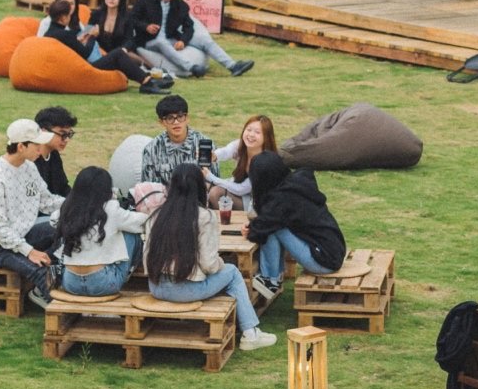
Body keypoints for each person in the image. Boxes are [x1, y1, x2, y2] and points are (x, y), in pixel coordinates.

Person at [142, 163, 274, 349]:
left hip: (155, 287)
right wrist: (222, 262)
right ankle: (250, 333)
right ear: (199, 187)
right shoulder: (205, 217)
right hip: (185, 290)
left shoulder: (156, 215)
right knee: (232, 272)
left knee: (222, 272)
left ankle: (246, 328)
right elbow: (209, 264)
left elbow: (147, 253)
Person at [0, 118, 66, 310]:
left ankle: (53, 271)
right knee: (41, 272)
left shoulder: (29, 167)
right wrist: (29, 252)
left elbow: (47, 201)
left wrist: (79, 204)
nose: (41, 149)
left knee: (68, 228)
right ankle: (63, 313)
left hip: (24, 233)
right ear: (21, 146)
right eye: (37, 145)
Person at [246, 151, 344, 311]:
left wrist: (251, 229)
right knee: (272, 224)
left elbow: (262, 227)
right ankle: (273, 277)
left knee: (272, 228)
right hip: (334, 249)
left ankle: (270, 279)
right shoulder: (295, 184)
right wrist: (256, 226)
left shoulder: (283, 198)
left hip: (323, 260)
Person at [129, 0, 254, 78]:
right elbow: (132, 19)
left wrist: (183, 40)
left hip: (172, 38)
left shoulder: (181, 6)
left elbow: (189, 26)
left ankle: (232, 66)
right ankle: (192, 68)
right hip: (149, 41)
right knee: (161, 42)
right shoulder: (145, 0)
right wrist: (146, 27)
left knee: (204, 40)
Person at [42, 0, 171, 94]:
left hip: (75, 65)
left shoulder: (50, 33)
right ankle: (147, 82)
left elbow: (74, 46)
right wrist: (92, 37)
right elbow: (85, 53)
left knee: (118, 56)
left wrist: (81, 39)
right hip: (83, 69)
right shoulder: (66, 33)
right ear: (63, 17)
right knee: (118, 54)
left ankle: (148, 79)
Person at [53, 165, 147, 297]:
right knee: (131, 235)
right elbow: (141, 222)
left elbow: (53, 220)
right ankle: (130, 272)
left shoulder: (68, 207)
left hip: (70, 282)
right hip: (103, 283)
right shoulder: (110, 208)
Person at [201, 114, 275, 210]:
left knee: (215, 193)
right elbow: (227, 151)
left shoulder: (266, 162)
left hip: (256, 204)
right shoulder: (241, 145)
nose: (251, 134)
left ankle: (223, 223)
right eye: (248, 130)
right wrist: (214, 156)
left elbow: (241, 189)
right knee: (201, 186)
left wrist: (211, 178)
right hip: (241, 194)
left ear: (266, 137)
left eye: (257, 132)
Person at [139, 92, 211, 187]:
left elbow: (214, 183)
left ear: (187, 118)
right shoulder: (151, 149)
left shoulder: (204, 144)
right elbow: (149, 188)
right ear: (162, 122)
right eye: (170, 118)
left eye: (180, 116)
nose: (176, 122)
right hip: (165, 200)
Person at [31, 104, 76, 197]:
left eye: (69, 135)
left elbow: (63, 188)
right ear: (44, 131)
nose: (66, 140)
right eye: (62, 134)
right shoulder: (31, 160)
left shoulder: (53, 154)